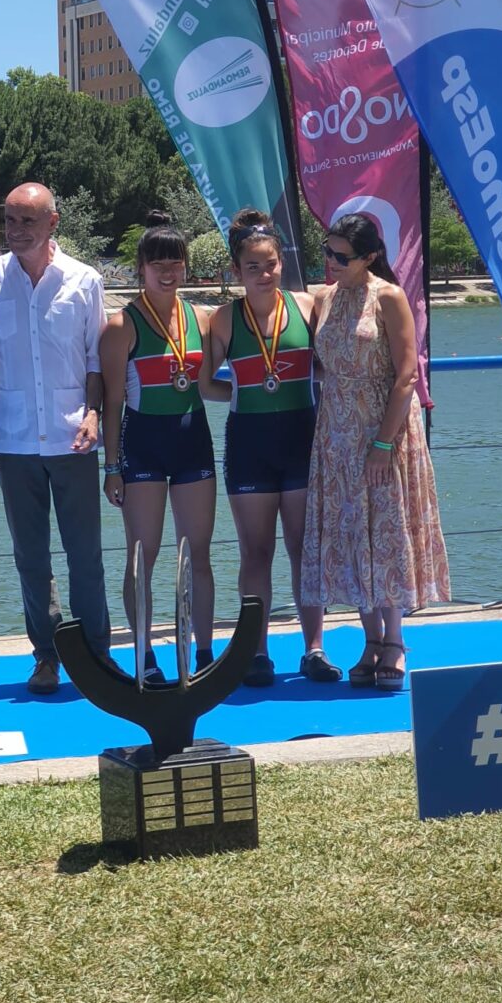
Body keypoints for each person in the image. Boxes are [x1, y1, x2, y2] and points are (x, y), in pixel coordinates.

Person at [302, 213, 450, 688]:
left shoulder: (389, 296)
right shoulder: (324, 297)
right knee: (350, 535)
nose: (330, 261)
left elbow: (407, 373)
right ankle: (369, 641)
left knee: (384, 533)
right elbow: (320, 362)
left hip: (383, 432)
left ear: (368, 257)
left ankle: (395, 641)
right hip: (336, 436)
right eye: (326, 251)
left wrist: (384, 443)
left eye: (340, 256)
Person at [0, 182, 110, 694]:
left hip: (73, 435)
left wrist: (94, 415)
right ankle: (47, 655)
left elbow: (97, 361)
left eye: (28, 221)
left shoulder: (85, 280)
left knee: (85, 556)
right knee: (30, 557)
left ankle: (96, 655)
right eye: (9, 220)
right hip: (12, 438)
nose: (16, 231)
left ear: (53, 222)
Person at [205, 209, 337, 688]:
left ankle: (315, 648)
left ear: (283, 263)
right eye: (253, 268)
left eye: (271, 264)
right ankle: (255, 652)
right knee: (255, 552)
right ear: (236, 273)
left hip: (302, 438)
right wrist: (244, 392)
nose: (264, 274)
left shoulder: (306, 305)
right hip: (250, 443)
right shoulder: (224, 319)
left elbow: (327, 366)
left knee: (305, 549)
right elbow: (204, 384)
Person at [100, 214, 218, 681]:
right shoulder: (120, 325)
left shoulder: (203, 318)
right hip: (143, 445)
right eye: (157, 264)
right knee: (142, 554)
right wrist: (110, 467)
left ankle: (206, 655)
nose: (168, 272)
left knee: (199, 552)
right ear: (141, 268)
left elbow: (209, 385)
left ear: (186, 267)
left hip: (193, 442)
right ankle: (144, 655)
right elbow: (111, 402)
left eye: (176, 262)